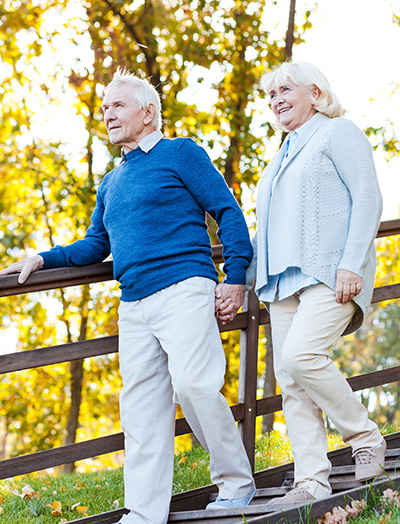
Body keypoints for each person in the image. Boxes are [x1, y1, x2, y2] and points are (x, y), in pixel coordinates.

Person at [0, 70, 256, 522]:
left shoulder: (181, 153)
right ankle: (143, 512)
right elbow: (95, 245)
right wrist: (43, 258)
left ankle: (236, 484)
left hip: (183, 286)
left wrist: (236, 276)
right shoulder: (111, 182)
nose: (108, 114)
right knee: (140, 409)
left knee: (196, 385)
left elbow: (227, 211)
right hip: (134, 303)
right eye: (103, 109)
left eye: (117, 105)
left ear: (148, 111)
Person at [247, 61, 385, 510]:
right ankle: (312, 479)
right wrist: (239, 281)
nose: (277, 100)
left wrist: (351, 263)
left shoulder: (337, 133)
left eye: (285, 90)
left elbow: (367, 195)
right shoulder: (282, 154)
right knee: (291, 380)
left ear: (316, 93)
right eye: (271, 95)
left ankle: (365, 437)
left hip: (330, 273)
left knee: (301, 356)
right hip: (281, 281)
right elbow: (266, 229)